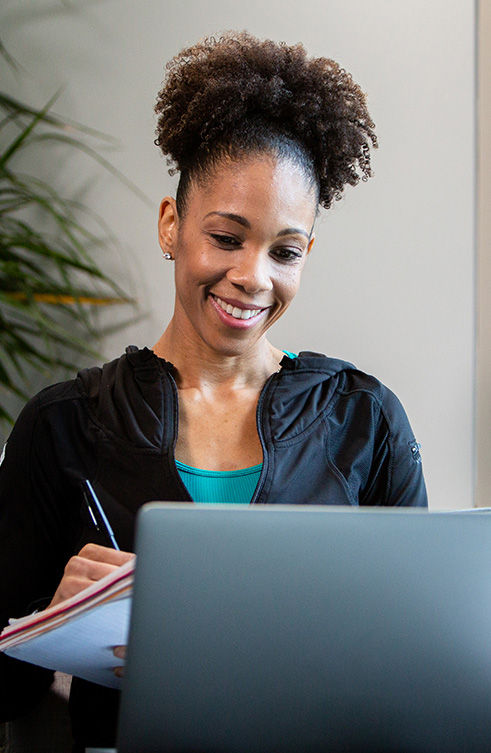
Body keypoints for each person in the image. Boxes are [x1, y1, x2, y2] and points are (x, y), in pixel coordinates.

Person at [0, 31, 427, 752]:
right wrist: (49, 619)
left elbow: (418, 658)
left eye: (284, 251)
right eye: (227, 238)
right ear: (171, 224)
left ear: (307, 254)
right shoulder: (62, 426)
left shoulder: (365, 419)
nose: (253, 276)